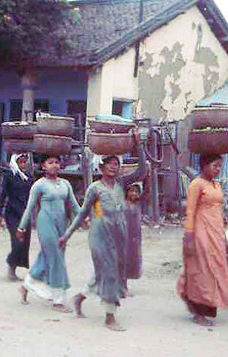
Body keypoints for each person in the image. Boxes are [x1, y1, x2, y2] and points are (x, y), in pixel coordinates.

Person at [59, 130, 146, 331]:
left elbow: (141, 170)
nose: (114, 167)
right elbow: (81, 214)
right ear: (102, 166)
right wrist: (67, 235)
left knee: (107, 271)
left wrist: (138, 144)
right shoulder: (95, 189)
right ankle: (109, 316)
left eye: (116, 164)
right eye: (110, 164)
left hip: (118, 235)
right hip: (99, 235)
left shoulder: (121, 184)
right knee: (109, 272)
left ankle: (80, 298)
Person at [16, 154, 81, 312]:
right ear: (43, 166)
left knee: (46, 257)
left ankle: (27, 284)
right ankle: (58, 301)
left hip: (62, 225)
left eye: (57, 162)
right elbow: (30, 207)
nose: (54, 165)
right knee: (56, 258)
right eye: (50, 162)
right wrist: (21, 227)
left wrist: (85, 217)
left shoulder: (65, 184)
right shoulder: (39, 185)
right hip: (45, 222)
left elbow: (74, 205)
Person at [177, 154, 228, 327]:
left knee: (214, 269)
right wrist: (189, 237)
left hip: (216, 234)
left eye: (219, 166)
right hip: (201, 233)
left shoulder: (216, 184)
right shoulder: (196, 184)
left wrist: (223, 234)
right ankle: (199, 312)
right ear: (204, 165)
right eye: (215, 165)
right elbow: (190, 212)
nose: (217, 169)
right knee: (201, 271)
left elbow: (218, 211)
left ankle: (200, 305)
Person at [0, 153, 34, 281]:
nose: (23, 165)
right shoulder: (9, 176)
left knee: (24, 243)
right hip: (12, 213)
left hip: (25, 214)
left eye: (25, 162)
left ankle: (14, 269)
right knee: (17, 242)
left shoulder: (29, 177)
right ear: (15, 163)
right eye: (21, 162)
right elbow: (2, 195)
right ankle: (10, 267)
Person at [124, 183, 143, 295]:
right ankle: (122, 287)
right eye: (131, 191)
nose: (134, 193)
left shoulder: (137, 206)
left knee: (131, 262)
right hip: (123, 238)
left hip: (134, 239)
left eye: (136, 191)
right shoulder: (123, 205)